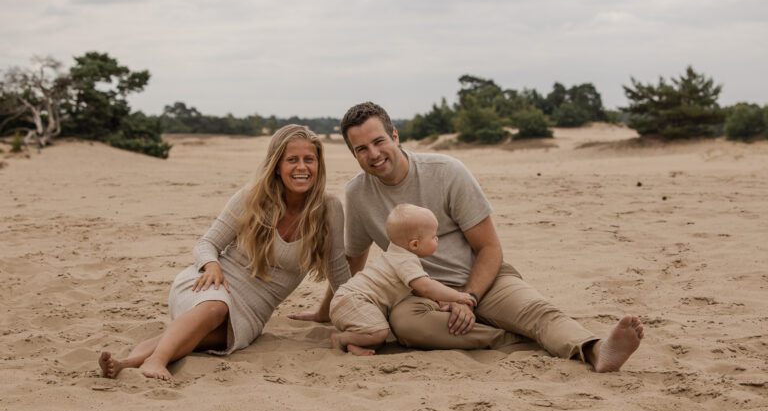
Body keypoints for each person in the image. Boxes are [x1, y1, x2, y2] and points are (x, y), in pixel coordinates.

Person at [336, 101, 643, 372]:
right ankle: (516, 339)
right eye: (361, 149)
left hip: (483, 278)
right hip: (420, 296)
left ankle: (595, 349)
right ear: (353, 154)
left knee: (537, 311)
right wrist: (330, 310)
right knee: (405, 325)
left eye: (378, 141)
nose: (374, 154)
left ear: (395, 136)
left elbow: (490, 248)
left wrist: (468, 299)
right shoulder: (358, 193)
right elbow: (355, 258)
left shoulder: (446, 171)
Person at [98, 124, 350, 380]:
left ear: (319, 165)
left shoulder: (328, 210)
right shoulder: (252, 198)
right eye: (292, 160)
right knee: (217, 307)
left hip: (252, 313)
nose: (302, 168)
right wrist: (212, 265)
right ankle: (157, 361)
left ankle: (126, 362)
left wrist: (356, 315)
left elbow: (338, 271)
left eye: (309, 160)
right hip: (211, 286)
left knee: (204, 338)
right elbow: (205, 244)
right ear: (276, 165)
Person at [329, 203, 476, 356]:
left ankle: (353, 344)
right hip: (353, 300)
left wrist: (440, 301)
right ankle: (340, 339)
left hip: (348, 300)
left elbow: (418, 292)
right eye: (433, 237)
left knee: (377, 335)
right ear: (414, 244)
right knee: (379, 332)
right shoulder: (405, 261)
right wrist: (458, 296)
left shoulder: (395, 253)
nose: (437, 239)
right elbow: (426, 287)